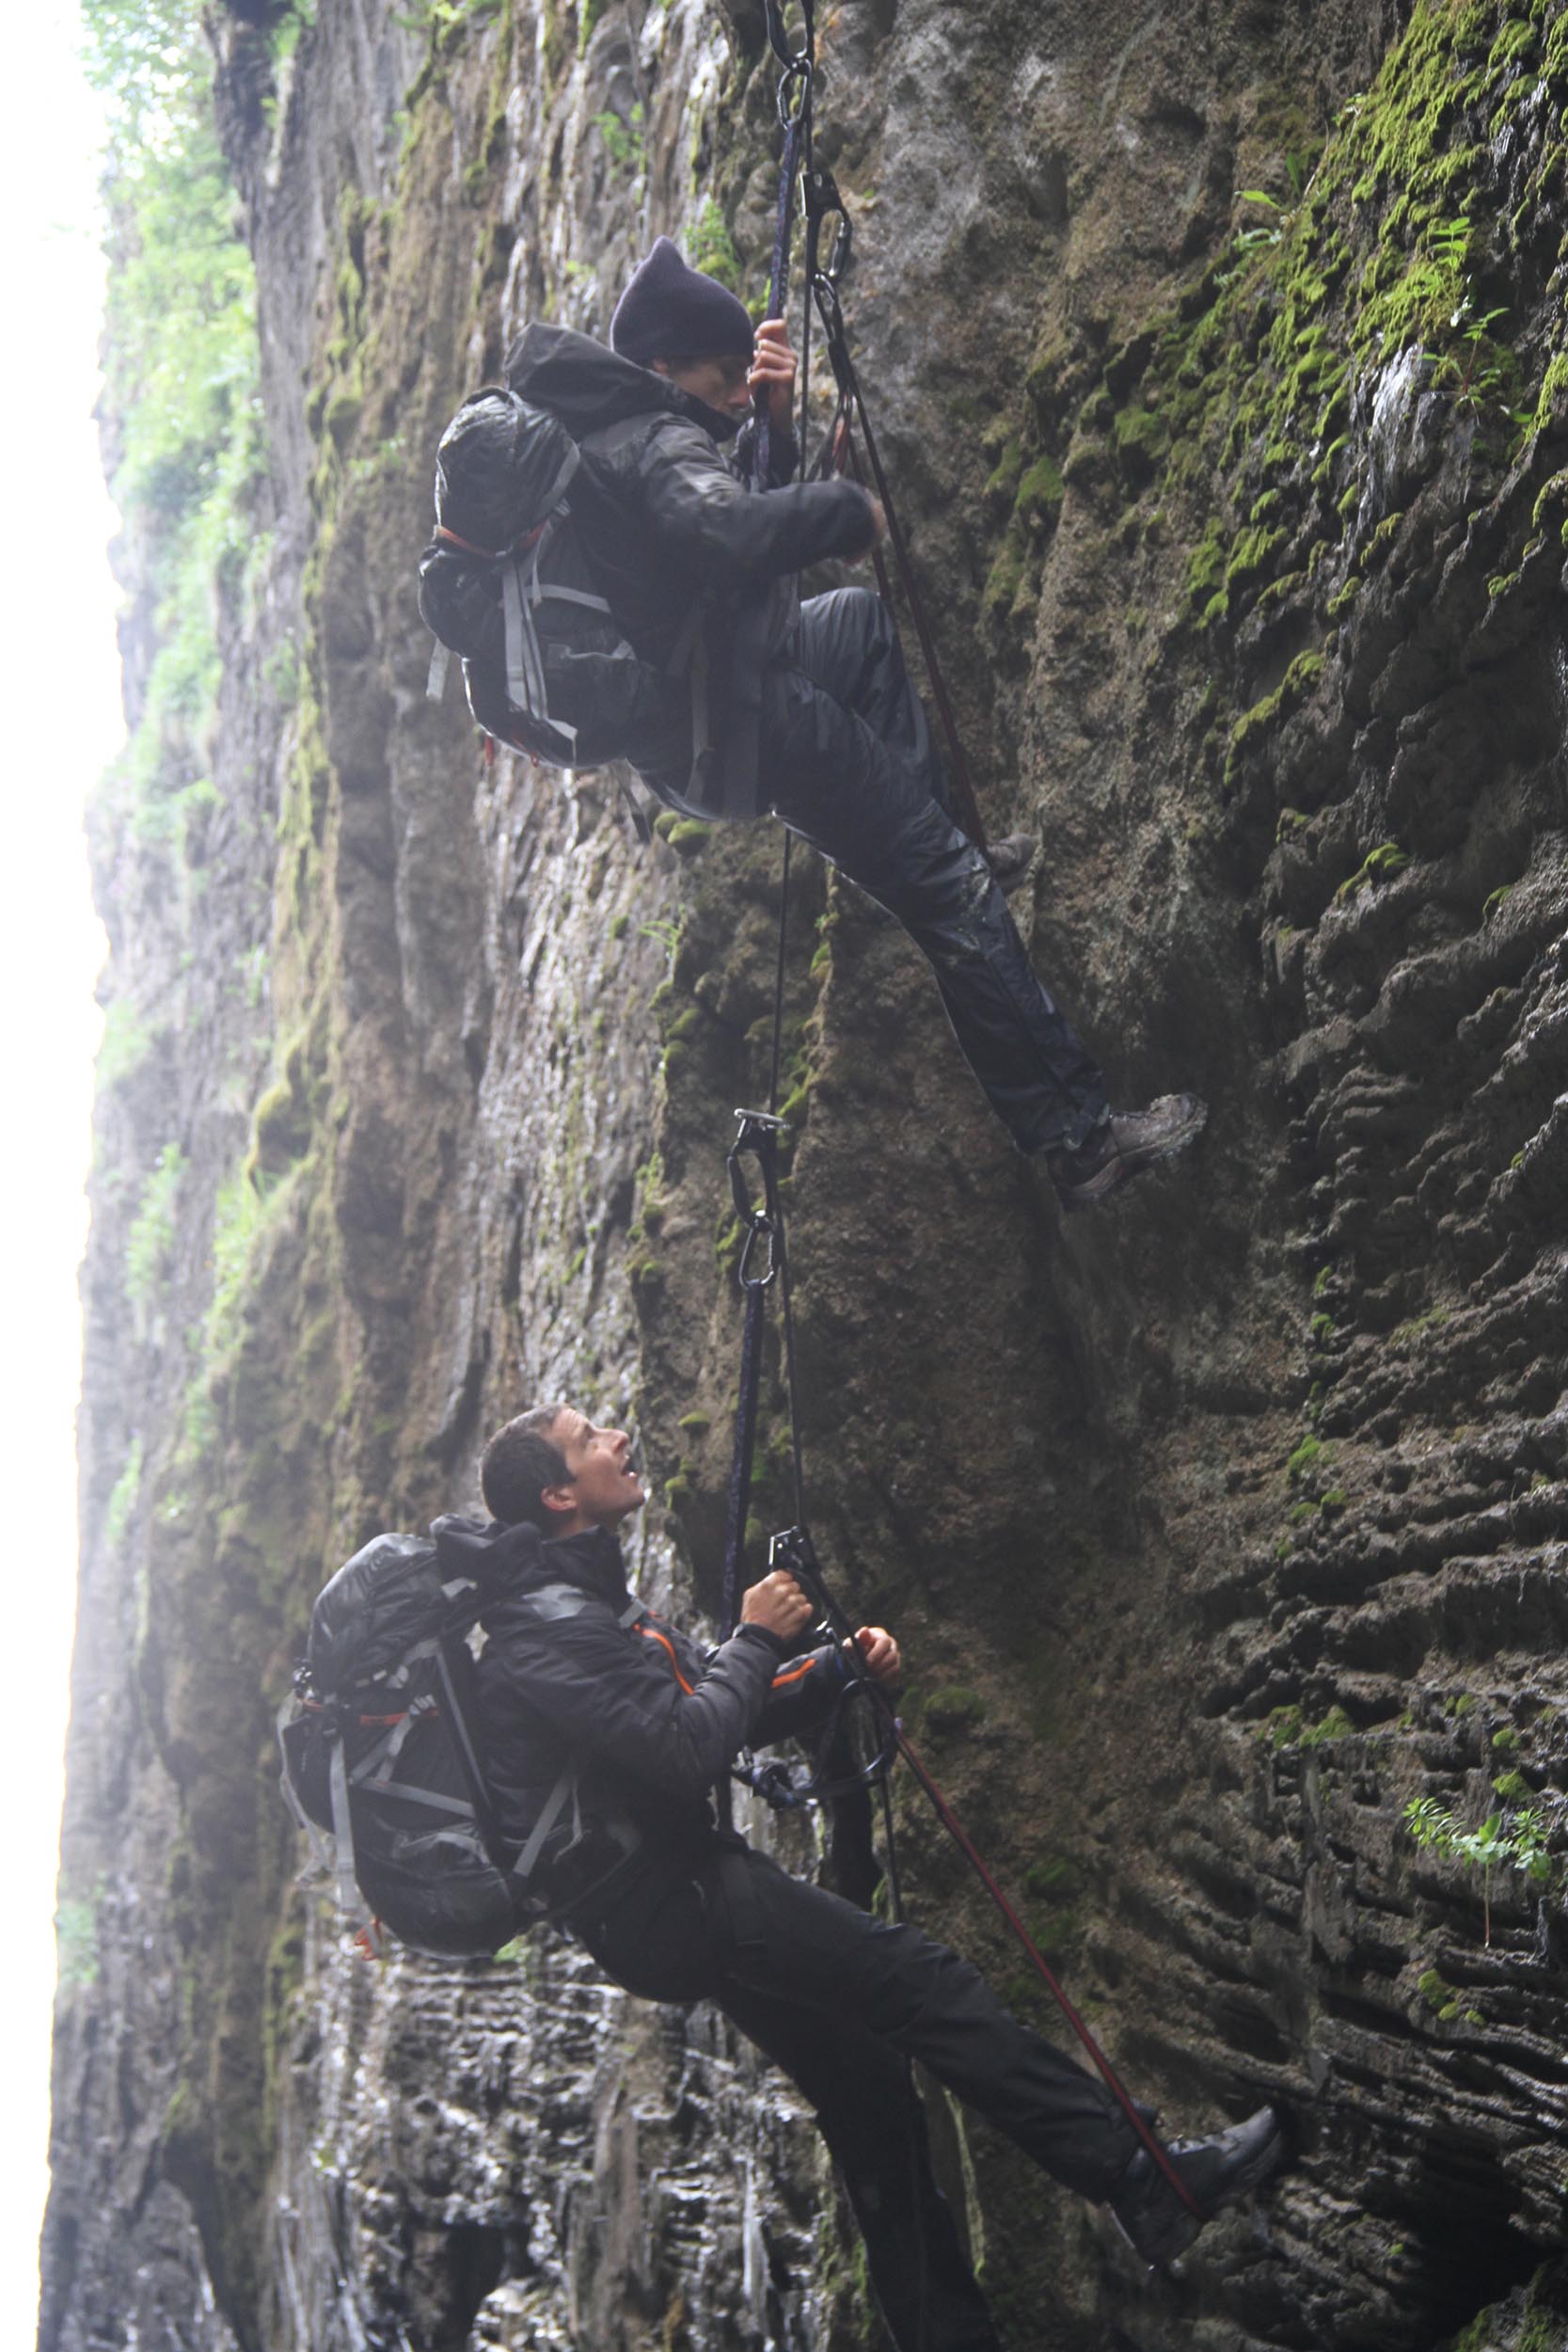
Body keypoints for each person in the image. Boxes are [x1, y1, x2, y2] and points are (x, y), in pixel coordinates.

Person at [442, 1403, 1287, 2352]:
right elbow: (685, 1750)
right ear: (558, 1493)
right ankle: (1145, 2181)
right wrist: (759, 1638)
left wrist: (829, 1671)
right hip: (673, 1903)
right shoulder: (548, 1627)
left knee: (867, 2088)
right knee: (922, 1981)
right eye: (590, 1437)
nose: (617, 1438)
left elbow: (698, 1714)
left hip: (668, 1901)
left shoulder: (578, 1600)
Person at [496, 238, 1206, 1211]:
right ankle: (1077, 1140)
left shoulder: (610, 435)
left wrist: (775, 435)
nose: (735, 394)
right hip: (748, 720)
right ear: (665, 367)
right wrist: (842, 509)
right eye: (720, 376)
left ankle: (944, 845)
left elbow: (702, 558)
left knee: (857, 626)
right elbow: (723, 533)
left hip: (706, 707)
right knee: (951, 896)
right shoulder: (653, 441)